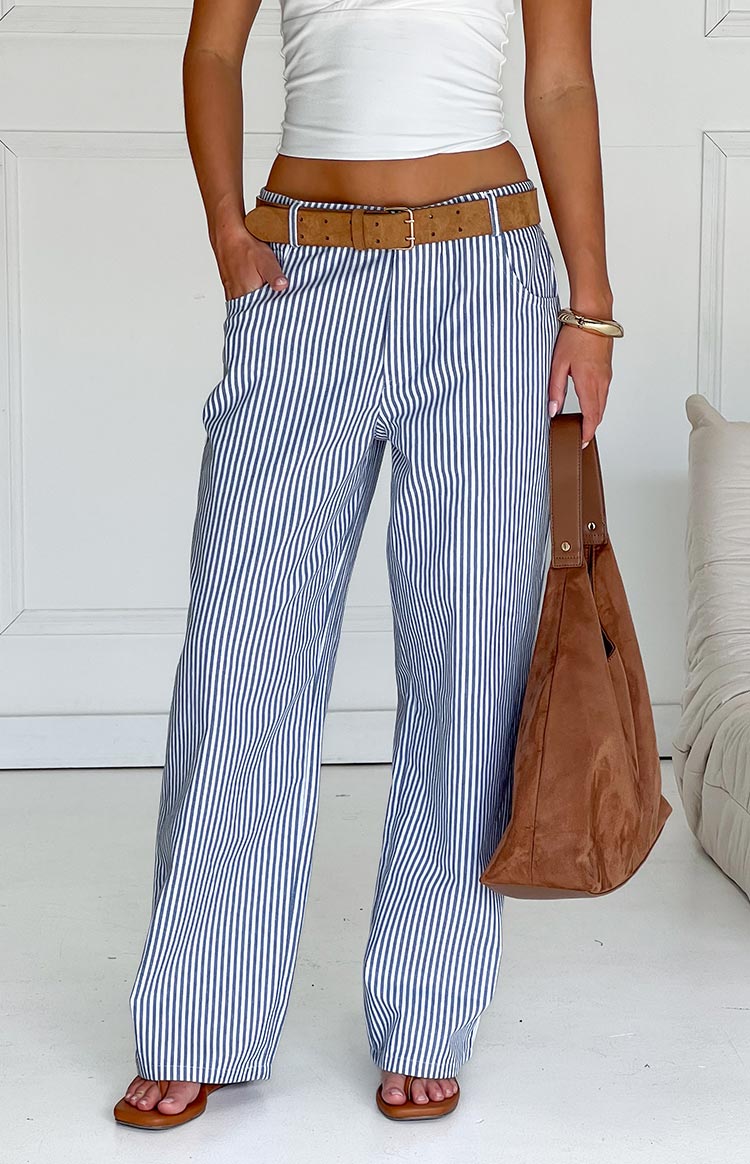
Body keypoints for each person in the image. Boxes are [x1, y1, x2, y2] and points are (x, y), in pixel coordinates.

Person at [113, 0, 620, 1129]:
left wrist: (590, 308)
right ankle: (198, 1014)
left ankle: (428, 1012)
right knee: (241, 652)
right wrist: (227, 236)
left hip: (489, 286)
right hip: (299, 274)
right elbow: (208, 50)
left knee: (470, 665)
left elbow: (561, 87)